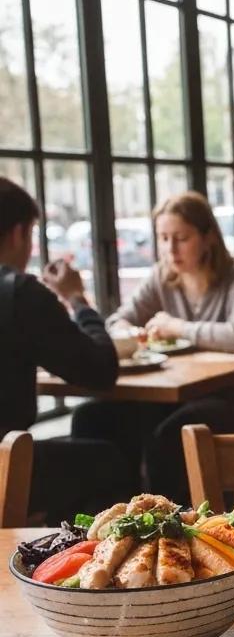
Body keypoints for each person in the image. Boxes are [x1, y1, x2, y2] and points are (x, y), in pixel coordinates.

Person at [72, 191, 234, 501]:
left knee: (171, 435)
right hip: (175, 396)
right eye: (163, 238)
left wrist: (177, 327)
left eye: (181, 238)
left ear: (208, 237)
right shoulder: (162, 276)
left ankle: (174, 525)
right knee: (92, 417)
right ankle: (119, 519)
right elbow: (117, 321)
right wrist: (131, 332)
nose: (170, 249)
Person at [0, 177, 129, 522]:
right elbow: (100, 370)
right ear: (18, 233)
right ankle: (66, 552)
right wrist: (77, 299)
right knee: (109, 461)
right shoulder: (18, 293)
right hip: (2, 466)